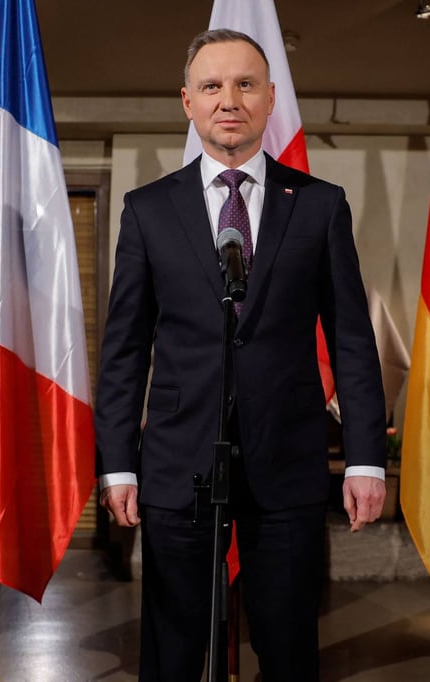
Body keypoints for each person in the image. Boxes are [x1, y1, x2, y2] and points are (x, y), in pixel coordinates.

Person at [94, 29, 387, 682]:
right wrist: (118, 465)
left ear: (271, 98)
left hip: (288, 462)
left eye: (246, 84)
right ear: (188, 102)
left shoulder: (318, 206)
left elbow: (351, 341)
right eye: (212, 86)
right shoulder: (147, 210)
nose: (230, 99)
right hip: (177, 464)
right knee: (171, 653)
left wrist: (366, 456)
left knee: (287, 651)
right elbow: (123, 349)